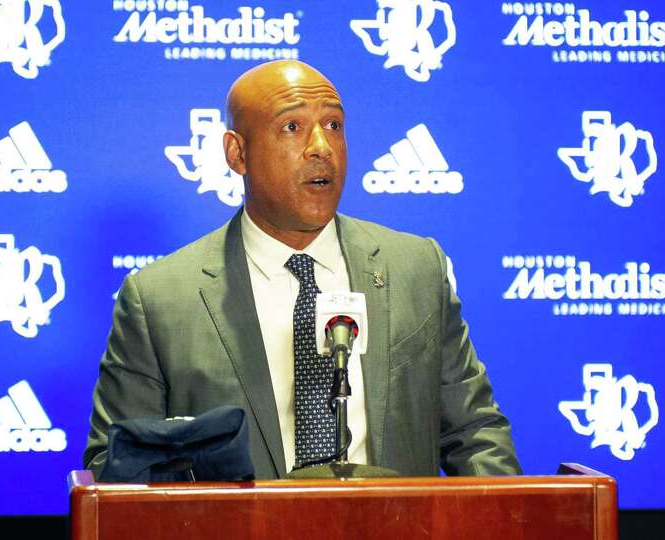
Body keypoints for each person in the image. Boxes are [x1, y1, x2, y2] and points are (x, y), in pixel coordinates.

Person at [84, 60, 521, 478]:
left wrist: (508, 521)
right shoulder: (159, 299)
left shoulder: (416, 268)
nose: (321, 147)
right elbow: (118, 469)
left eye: (333, 126)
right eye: (292, 127)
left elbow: (474, 432)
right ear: (237, 153)